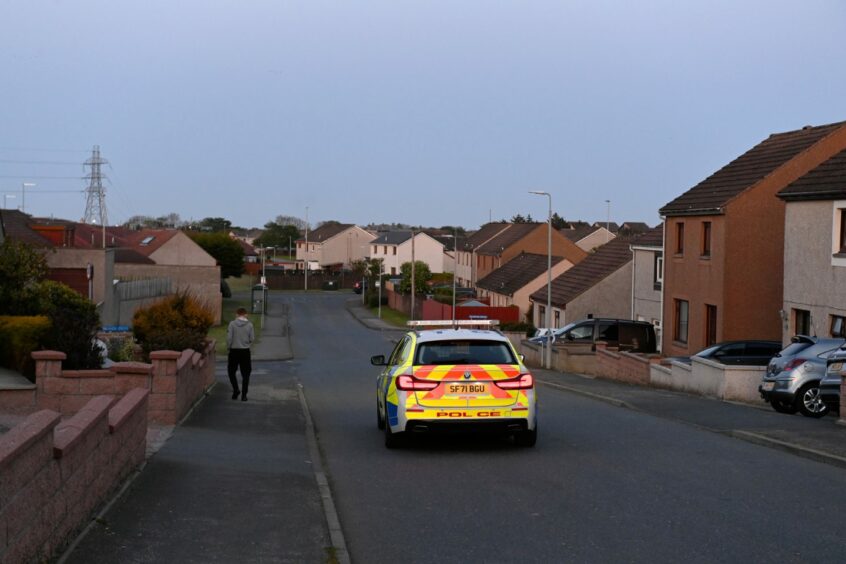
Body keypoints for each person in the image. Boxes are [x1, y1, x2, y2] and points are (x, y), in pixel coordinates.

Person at [227, 307, 255, 401]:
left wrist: (229, 347)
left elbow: (229, 338)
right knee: (246, 374)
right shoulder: (250, 325)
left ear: (237, 314)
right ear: (245, 314)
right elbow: (252, 339)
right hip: (245, 351)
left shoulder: (232, 324)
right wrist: (246, 342)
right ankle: (244, 395)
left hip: (234, 351)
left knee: (231, 371)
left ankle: (236, 390)